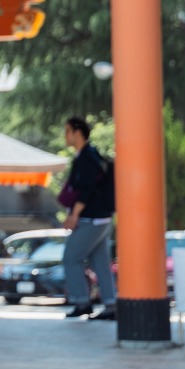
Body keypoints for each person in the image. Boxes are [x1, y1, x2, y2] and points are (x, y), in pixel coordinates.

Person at [61, 116, 117, 321]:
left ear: (77, 133)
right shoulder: (88, 156)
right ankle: (111, 305)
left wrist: (74, 215)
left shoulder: (87, 158)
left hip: (91, 218)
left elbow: (86, 189)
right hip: (101, 218)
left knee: (70, 258)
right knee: (101, 263)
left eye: (67, 131)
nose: (65, 136)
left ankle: (81, 302)